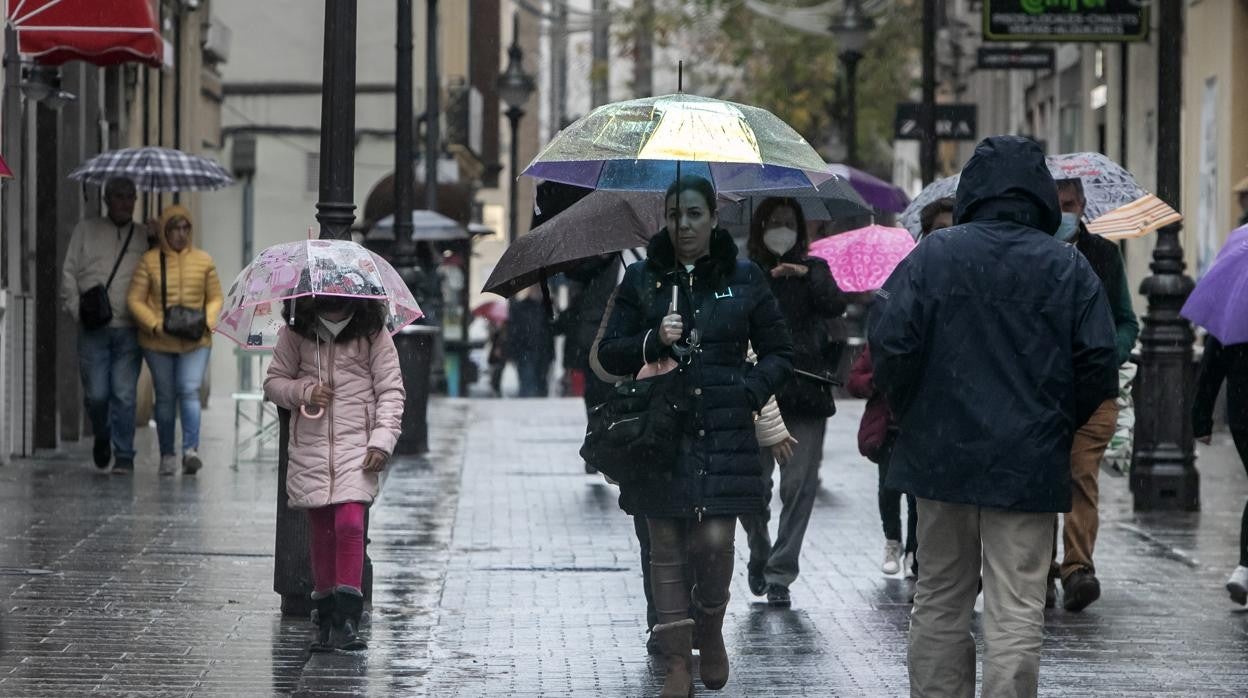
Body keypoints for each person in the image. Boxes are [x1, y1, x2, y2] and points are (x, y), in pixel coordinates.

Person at [869, 135, 1118, 697]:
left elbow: (890, 342)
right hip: (1027, 463)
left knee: (940, 597)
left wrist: (919, 411)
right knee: (1016, 607)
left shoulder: (934, 255)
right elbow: (1098, 363)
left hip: (940, 457)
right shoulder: (1068, 269)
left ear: (973, 191)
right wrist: (1055, 421)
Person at [597, 175, 792, 696]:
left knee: (713, 540)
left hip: (724, 434)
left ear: (712, 218)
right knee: (663, 541)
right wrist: (650, 339)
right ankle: (677, 661)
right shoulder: (642, 278)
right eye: (674, 215)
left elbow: (780, 352)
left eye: (694, 215)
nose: (683, 225)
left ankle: (710, 624)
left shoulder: (745, 277)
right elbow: (608, 354)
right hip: (660, 433)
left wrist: (748, 392)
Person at [264, 294, 404, 652]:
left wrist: (381, 442)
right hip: (311, 446)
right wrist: (304, 391)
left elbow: (390, 390)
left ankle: (347, 614)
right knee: (323, 531)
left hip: (358, 444)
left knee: (350, 522)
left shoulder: (371, 332)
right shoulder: (296, 331)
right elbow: (274, 383)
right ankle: (324, 617)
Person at [738, 197, 846, 608]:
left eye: (788, 223)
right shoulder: (748, 274)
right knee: (753, 485)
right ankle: (759, 546)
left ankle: (780, 572)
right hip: (759, 392)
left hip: (806, 390)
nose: (781, 230)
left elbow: (834, 304)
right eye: (773, 223)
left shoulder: (814, 270)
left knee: (799, 485)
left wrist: (803, 274)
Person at [1049, 178, 1140, 612]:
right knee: (1042, 480)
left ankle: (1077, 569)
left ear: (1083, 205)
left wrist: (1108, 354)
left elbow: (1127, 321)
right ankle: (1039, 570)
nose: (1065, 212)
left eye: (1070, 203)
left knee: (1082, 477)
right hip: (1042, 390)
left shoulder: (1103, 255)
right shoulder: (1033, 254)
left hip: (1095, 389)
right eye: (1057, 204)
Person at [847, 202, 952, 581]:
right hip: (893, 421)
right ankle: (895, 542)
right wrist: (886, 377)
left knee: (918, 496)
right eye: (939, 228)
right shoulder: (899, 294)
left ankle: (915, 550)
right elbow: (864, 370)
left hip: (929, 419)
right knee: (892, 486)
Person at [126, 205, 223, 475]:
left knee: (189, 390)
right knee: (166, 397)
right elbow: (135, 299)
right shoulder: (150, 261)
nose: (180, 234)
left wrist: (207, 320)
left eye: (185, 228)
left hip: (195, 340)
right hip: (158, 342)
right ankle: (167, 454)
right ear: (164, 231)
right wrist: (154, 324)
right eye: (174, 228)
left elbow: (215, 296)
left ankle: (190, 450)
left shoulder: (203, 260)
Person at [60, 177, 146, 472]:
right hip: (93, 327)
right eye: (119, 196)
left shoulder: (145, 236)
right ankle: (102, 434)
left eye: (130, 197)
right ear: (107, 199)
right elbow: (69, 272)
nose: (125, 202)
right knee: (96, 395)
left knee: (123, 393)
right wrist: (75, 310)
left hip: (130, 328)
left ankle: (124, 454)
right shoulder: (85, 230)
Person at [1193, 334, 1248, 604]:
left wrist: (1201, 416)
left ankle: (1245, 567)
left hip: (1243, 411)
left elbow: (1213, 362)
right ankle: (1246, 567)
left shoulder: (1238, 304)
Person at [507, 286, 555, 397]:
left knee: (538, 383)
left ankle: (534, 407)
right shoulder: (522, 308)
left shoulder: (544, 309)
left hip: (539, 352)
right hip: (528, 351)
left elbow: (550, 331)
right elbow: (514, 332)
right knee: (529, 384)